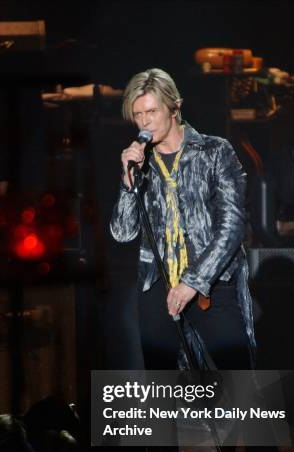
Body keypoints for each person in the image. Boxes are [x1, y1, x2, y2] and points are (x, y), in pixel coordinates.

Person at [110, 68, 255, 371]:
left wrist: (194, 282)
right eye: (138, 114)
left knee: (239, 379)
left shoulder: (214, 152)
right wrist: (127, 181)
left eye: (152, 111)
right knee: (162, 387)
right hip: (157, 285)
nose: (145, 121)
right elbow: (123, 232)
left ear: (174, 108)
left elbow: (232, 225)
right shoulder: (141, 162)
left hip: (211, 286)